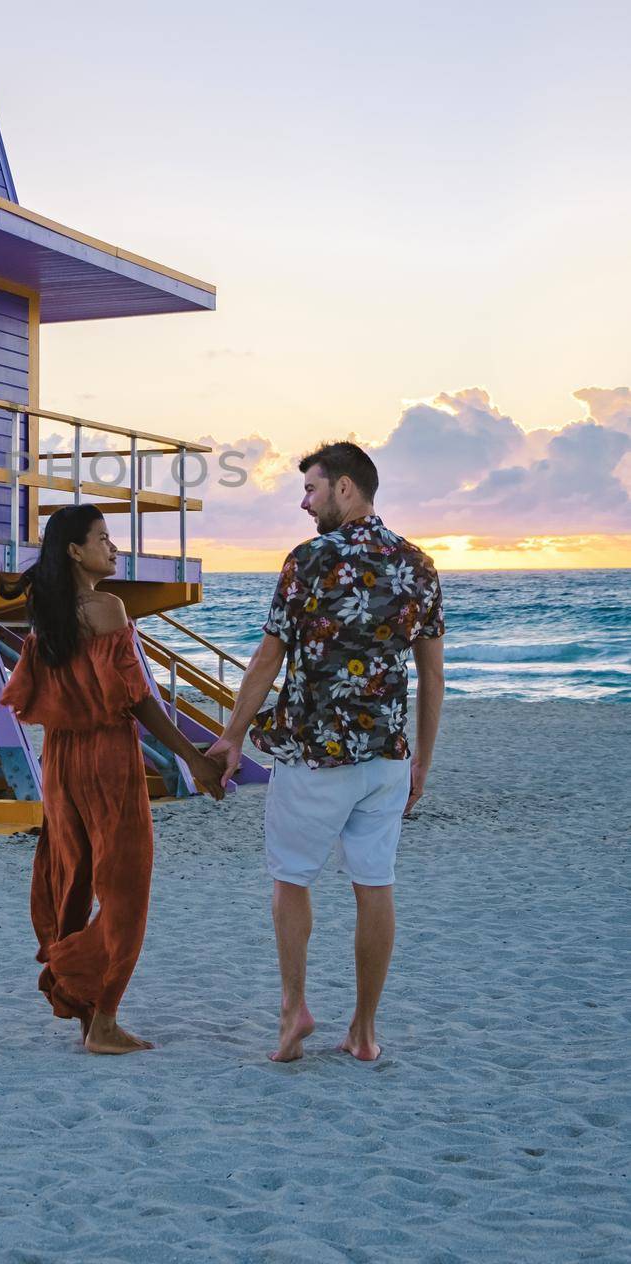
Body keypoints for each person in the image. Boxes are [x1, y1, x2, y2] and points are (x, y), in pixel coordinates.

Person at [207, 442, 445, 1063]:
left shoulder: (309, 560)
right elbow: (432, 676)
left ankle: (294, 1012)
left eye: (311, 489)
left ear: (344, 488)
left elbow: (267, 658)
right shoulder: (418, 565)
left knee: (291, 878)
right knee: (375, 883)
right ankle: (364, 1031)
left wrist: (232, 735)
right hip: (387, 757)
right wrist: (423, 757)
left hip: (315, 753)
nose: (304, 502)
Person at [0, 504, 227, 1055]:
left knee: (70, 874)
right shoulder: (108, 608)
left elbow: (36, 694)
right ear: (76, 551)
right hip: (105, 755)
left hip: (59, 758)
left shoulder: (46, 610)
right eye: (103, 538)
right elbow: (139, 701)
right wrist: (191, 759)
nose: (114, 548)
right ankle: (102, 1019)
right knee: (126, 887)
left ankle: (84, 1010)